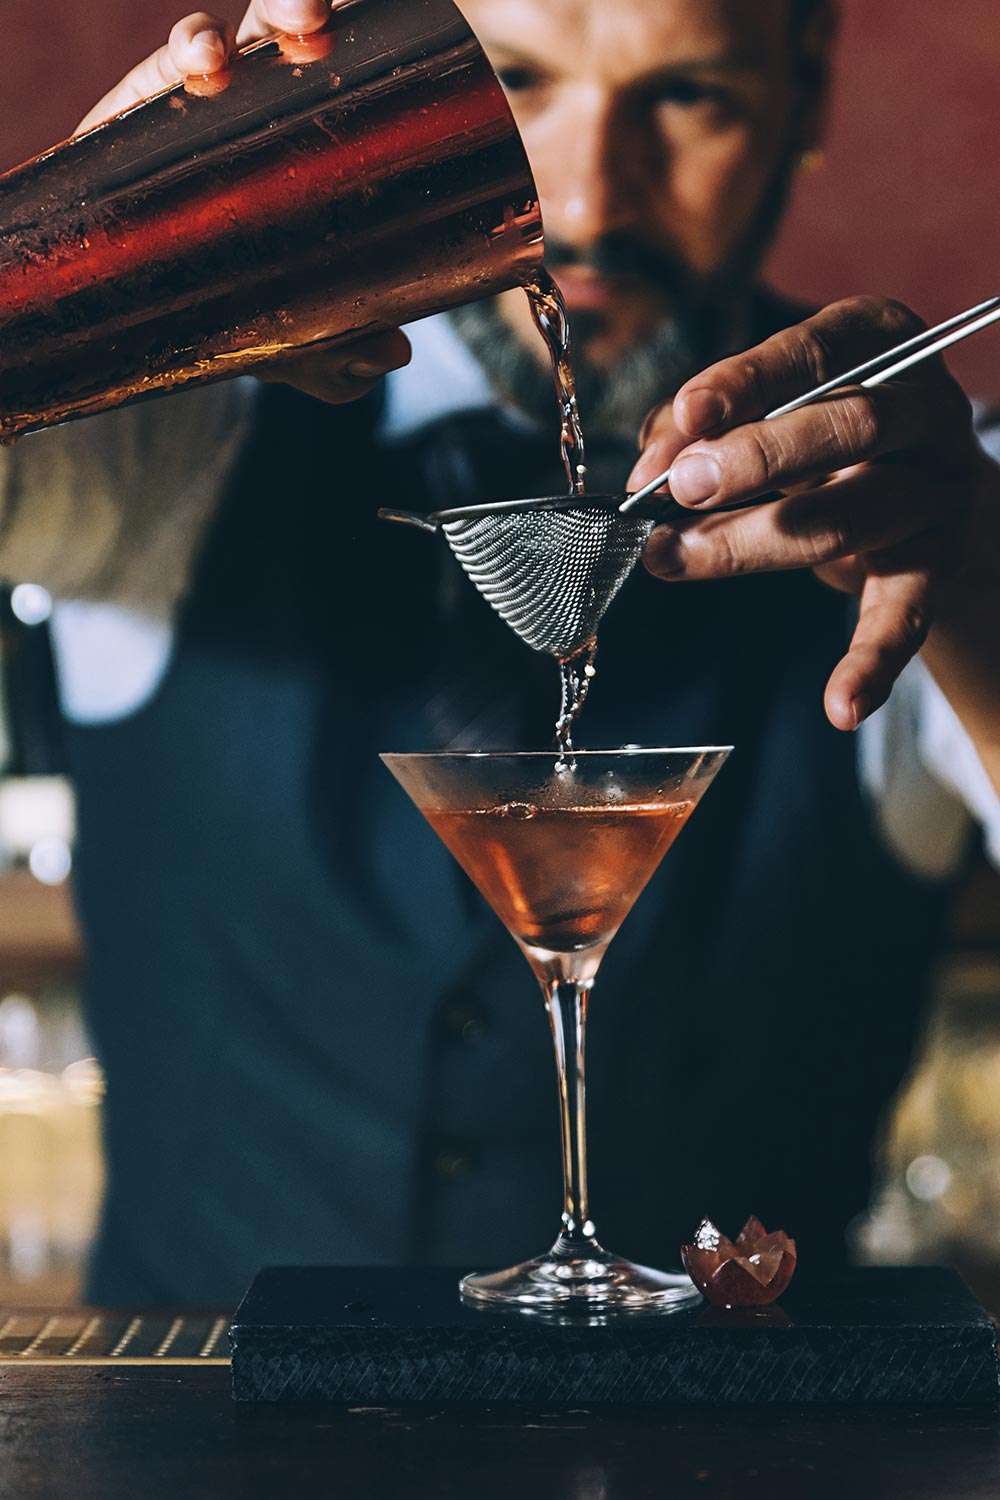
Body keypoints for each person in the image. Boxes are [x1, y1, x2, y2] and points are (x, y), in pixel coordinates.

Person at [2, 0, 998, 1304]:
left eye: (691, 97)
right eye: (511, 79)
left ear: (805, 102)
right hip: (192, 1437)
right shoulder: (160, 440)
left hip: (752, 1453)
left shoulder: (932, 492)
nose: (586, 193)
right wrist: (53, 275)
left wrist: (980, 576)